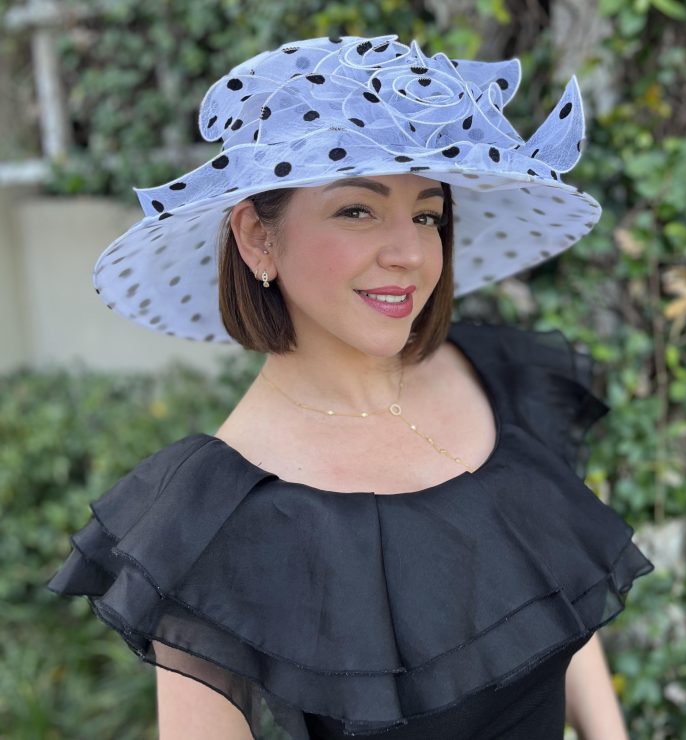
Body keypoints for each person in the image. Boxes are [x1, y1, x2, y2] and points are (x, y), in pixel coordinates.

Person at [47, 34, 655, 739]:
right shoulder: (215, 525)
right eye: (357, 210)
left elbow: (552, 606)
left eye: (427, 214)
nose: (409, 254)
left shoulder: (500, 382)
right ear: (256, 238)